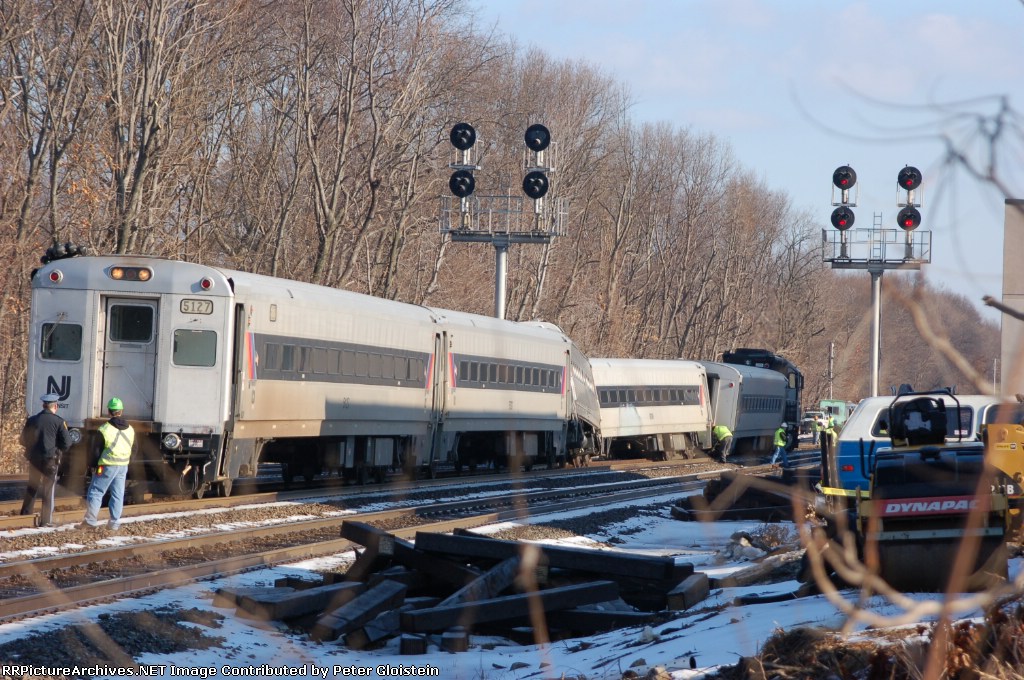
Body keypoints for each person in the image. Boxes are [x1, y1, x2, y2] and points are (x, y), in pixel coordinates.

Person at [78, 397, 137, 533]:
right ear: (121, 411)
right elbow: (135, 448)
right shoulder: (130, 429)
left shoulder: (104, 429)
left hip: (106, 465)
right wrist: (129, 461)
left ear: (109, 412)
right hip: (123, 466)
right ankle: (114, 523)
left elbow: (96, 450)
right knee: (118, 494)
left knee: (96, 492)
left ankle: (90, 521)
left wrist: (92, 465)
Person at [20, 393, 72, 527]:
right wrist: (57, 448)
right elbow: (67, 443)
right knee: (48, 490)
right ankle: (46, 521)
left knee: (32, 487)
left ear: (43, 406)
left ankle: (25, 516)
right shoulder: (59, 422)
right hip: (50, 460)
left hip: (34, 459)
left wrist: (32, 448)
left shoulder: (32, 420)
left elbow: (22, 440)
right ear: (55, 406)